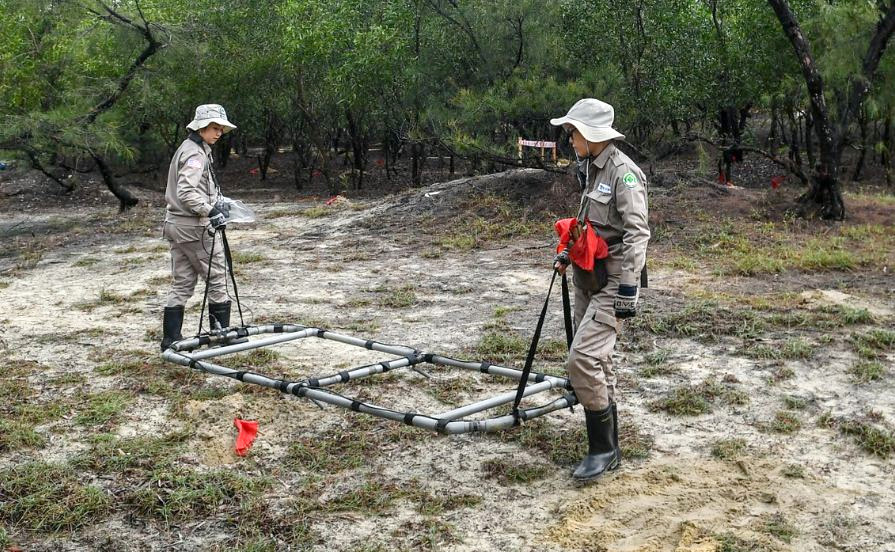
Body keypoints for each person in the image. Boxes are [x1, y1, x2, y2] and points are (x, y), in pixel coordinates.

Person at [550, 98, 650, 482]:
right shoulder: (591, 167)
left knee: (583, 358)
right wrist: (567, 250)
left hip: (614, 279)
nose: (570, 139)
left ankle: (602, 449)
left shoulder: (625, 174)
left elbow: (637, 233)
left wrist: (629, 289)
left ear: (592, 135)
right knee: (598, 359)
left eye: (573, 132)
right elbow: (587, 218)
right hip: (589, 274)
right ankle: (608, 448)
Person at [160, 104, 237, 351]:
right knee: (217, 277)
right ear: (201, 128)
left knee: (182, 282)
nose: (219, 133)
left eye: (221, 129)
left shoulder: (189, 148)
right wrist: (210, 211)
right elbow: (186, 191)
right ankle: (221, 336)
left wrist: (217, 203)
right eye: (214, 128)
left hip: (175, 224)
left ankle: (171, 340)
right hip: (193, 227)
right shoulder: (196, 154)